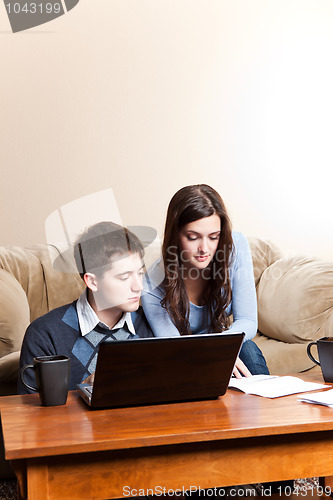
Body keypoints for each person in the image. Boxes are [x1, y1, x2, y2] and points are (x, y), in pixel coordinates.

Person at [141, 184, 269, 377]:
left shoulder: (236, 247)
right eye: (193, 237)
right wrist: (213, 352)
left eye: (213, 237)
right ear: (175, 235)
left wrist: (222, 347)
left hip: (222, 345)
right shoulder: (151, 285)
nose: (205, 248)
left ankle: (266, 400)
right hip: (182, 356)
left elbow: (247, 320)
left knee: (248, 349)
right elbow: (173, 346)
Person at [18, 221, 153, 394]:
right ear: (92, 281)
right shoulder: (44, 335)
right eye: (125, 277)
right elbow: (29, 415)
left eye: (140, 273)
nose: (138, 286)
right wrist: (84, 391)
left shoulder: (152, 324)